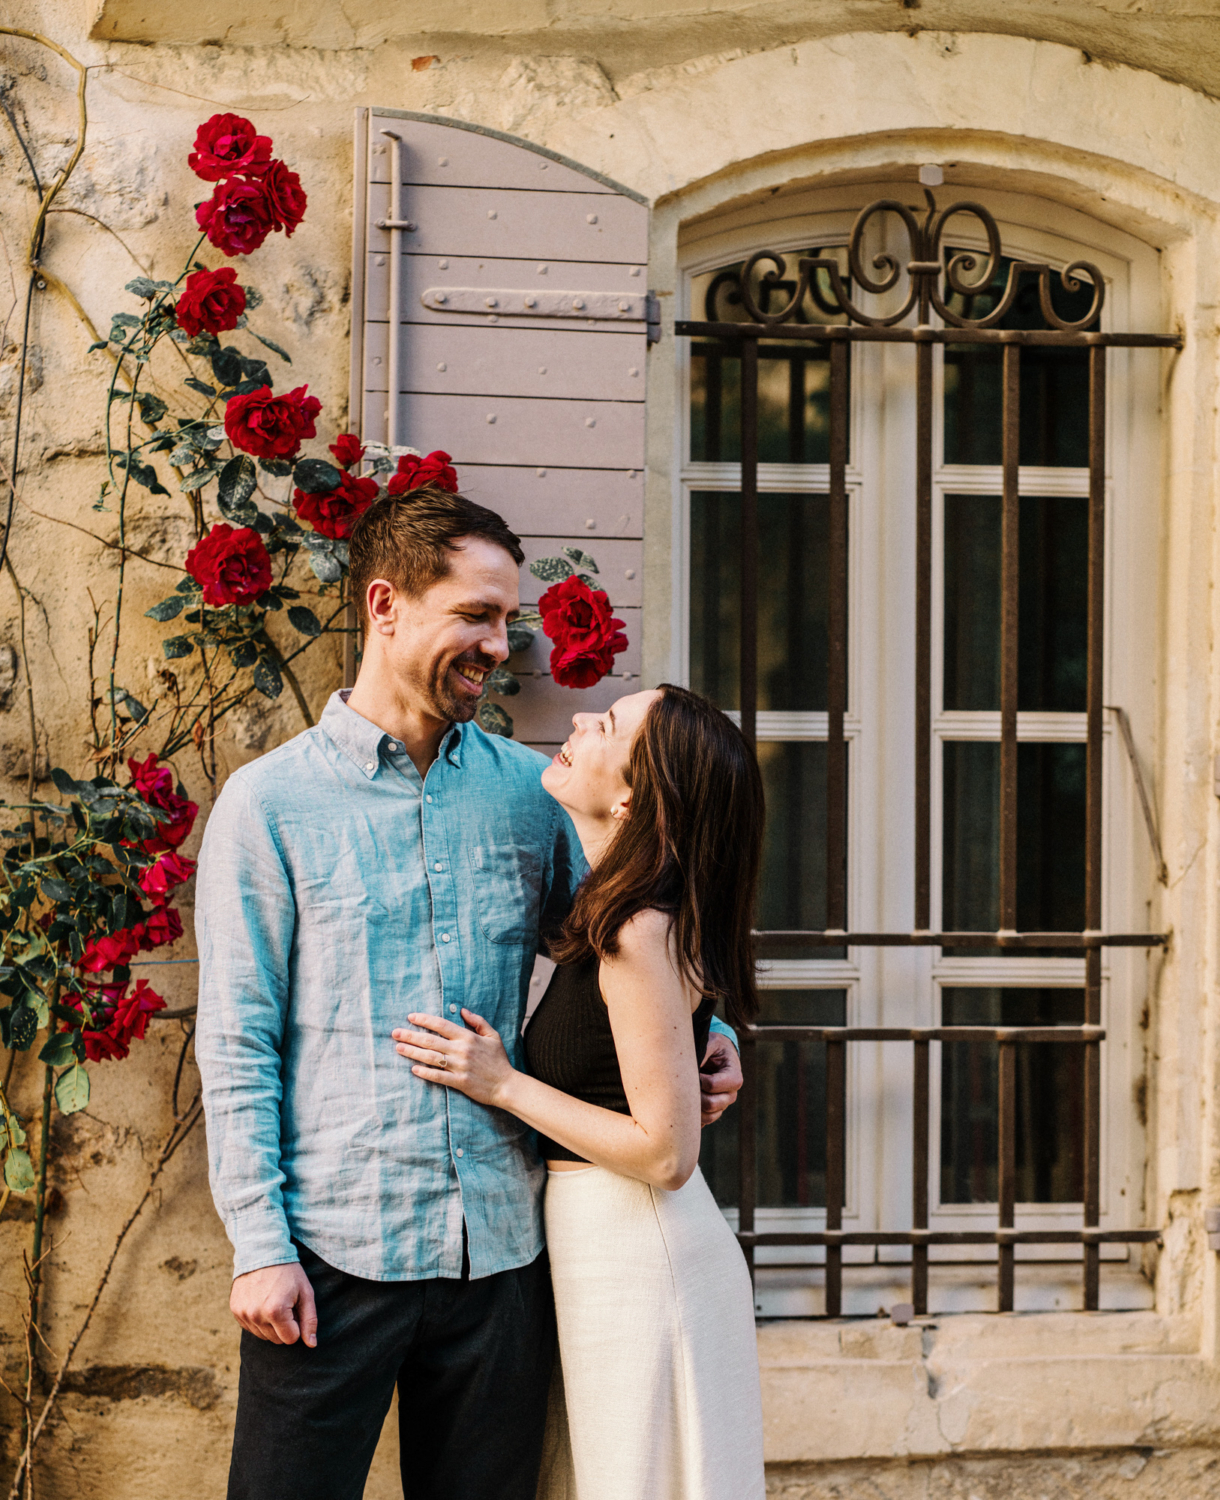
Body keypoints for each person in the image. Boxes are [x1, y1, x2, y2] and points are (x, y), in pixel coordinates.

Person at [194, 483, 743, 1500]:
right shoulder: (268, 805)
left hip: (499, 1255)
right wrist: (259, 1248)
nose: (501, 646)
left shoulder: (519, 792)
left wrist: (710, 1038)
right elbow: (237, 1043)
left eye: (507, 620)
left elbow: (624, 943)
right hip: (330, 1256)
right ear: (385, 605)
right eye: (477, 615)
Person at [394, 682, 767, 1500]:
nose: (575, 722)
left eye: (604, 726)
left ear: (633, 796)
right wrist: (718, 1041)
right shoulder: (627, 907)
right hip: (605, 1243)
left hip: (639, 1246)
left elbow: (667, 1153)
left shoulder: (636, 928)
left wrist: (503, 1084)